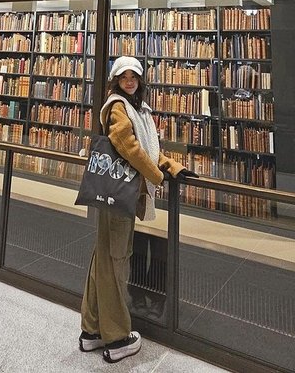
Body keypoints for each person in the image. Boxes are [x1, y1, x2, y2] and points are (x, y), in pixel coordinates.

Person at [79, 55, 198, 363]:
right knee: (116, 261)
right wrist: (157, 175)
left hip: (120, 194)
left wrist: (172, 166)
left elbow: (147, 148)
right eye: (123, 77)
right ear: (115, 81)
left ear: (140, 81)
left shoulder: (137, 108)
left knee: (105, 258)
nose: (129, 81)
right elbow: (128, 145)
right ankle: (117, 338)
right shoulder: (118, 105)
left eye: (134, 77)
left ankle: (91, 331)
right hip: (118, 195)